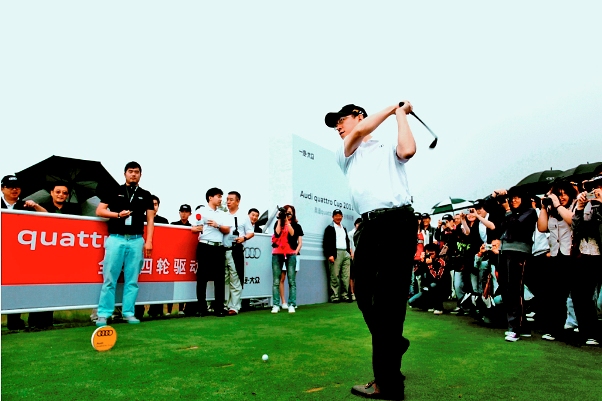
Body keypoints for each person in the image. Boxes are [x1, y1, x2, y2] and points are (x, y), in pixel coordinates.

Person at [326, 101, 416, 400]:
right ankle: (394, 343)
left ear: (359, 115)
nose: (338, 127)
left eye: (342, 120)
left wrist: (401, 114)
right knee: (363, 294)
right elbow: (360, 131)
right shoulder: (346, 152)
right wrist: (392, 108)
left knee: (390, 302)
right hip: (368, 227)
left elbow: (408, 150)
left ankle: (387, 383)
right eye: (335, 124)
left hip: (398, 222)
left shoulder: (387, 147)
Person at [95, 162, 155, 327]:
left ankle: (128, 312)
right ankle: (104, 314)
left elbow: (150, 220)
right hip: (116, 238)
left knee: (132, 280)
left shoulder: (146, 195)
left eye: (136, 172)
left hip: (136, 240)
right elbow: (99, 211)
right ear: (125, 174)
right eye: (130, 171)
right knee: (110, 278)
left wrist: (149, 241)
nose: (133, 174)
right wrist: (117, 215)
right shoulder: (114, 190)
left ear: (140, 175)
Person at [29, 182, 81, 330]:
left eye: (64, 193)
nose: (61, 195)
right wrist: (35, 206)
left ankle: (47, 321)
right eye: (58, 192)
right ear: (51, 193)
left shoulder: (74, 209)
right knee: (40, 287)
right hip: (43, 253)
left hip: (63, 254)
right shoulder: (41, 206)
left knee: (52, 288)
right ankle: (34, 321)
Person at [1, 175, 47, 330]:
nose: (14, 189)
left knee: (17, 287)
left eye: (17, 187)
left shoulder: (26, 205)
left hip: (20, 252)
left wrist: (36, 206)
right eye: (10, 187)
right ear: (2, 188)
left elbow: (48, 217)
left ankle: (15, 321)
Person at [493, 187, 537, 342]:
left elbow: (516, 226)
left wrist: (508, 211)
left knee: (514, 290)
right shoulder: (510, 212)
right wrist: (495, 196)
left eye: (517, 197)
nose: (514, 201)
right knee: (506, 289)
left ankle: (515, 328)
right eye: (511, 198)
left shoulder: (530, 212)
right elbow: (492, 213)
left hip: (519, 253)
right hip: (505, 250)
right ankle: (522, 326)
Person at [536, 181, 578, 342]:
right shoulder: (551, 211)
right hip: (555, 255)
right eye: (558, 194)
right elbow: (542, 227)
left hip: (572, 255)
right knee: (555, 295)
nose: (562, 197)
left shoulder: (575, 206)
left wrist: (557, 204)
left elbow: (573, 221)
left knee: (576, 295)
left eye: (564, 194)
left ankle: (580, 328)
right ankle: (554, 329)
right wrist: (543, 207)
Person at [572, 175, 602, 345]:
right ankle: (587, 331)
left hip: (599, 254)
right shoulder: (588, 205)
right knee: (580, 294)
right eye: (594, 187)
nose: (596, 191)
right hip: (585, 253)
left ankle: (595, 332)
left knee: (598, 299)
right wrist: (579, 208)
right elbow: (576, 229)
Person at [191, 187, 230, 317]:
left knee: (219, 278)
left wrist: (217, 225)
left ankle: (219, 308)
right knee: (202, 278)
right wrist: (200, 227)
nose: (220, 199)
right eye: (218, 196)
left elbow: (227, 230)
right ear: (210, 197)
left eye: (221, 196)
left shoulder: (222, 213)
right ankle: (202, 308)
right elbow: (193, 228)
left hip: (218, 247)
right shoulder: (201, 211)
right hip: (205, 246)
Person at [223, 191, 255, 316]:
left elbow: (251, 232)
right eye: (227, 199)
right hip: (223, 249)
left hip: (236, 249)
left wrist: (244, 238)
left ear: (238, 201)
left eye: (231, 199)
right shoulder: (223, 215)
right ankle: (224, 305)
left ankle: (234, 306)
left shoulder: (244, 217)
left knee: (235, 277)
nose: (228, 202)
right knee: (224, 278)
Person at [271, 205, 303, 313]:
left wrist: (287, 221)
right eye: (286, 212)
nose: (287, 214)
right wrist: (280, 219)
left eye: (289, 212)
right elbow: (277, 233)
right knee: (276, 280)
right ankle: (276, 304)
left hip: (290, 253)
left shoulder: (296, 225)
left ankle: (292, 304)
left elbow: (292, 233)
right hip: (277, 253)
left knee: (291, 280)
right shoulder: (278, 222)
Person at [408, 243, 449, 314]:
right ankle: (430, 304)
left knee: (433, 285)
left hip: (442, 288)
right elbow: (416, 273)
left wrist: (430, 265)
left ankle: (439, 307)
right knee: (411, 301)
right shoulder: (425, 261)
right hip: (427, 289)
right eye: (428, 254)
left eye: (432, 254)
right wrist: (421, 262)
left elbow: (438, 278)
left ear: (437, 253)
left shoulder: (441, 262)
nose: (430, 256)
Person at [323, 209, 352, 303]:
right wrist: (329, 255)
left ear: (342, 217)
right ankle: (334, 297)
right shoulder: (329, 228)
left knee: (345, 276)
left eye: (340, 215)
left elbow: (347, 241)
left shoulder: (344, 228)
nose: (338, 217)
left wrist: (348, 252)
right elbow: (326, 243)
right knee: (334, 276)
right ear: (333, 217)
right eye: (336, 215)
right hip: (335, 253)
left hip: (345, 253)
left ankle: (345, 295)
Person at [168, 204, 192, 315]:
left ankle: (181, 309)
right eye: (182, 211)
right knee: (171, 282)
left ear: (190, 214)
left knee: (183, 283)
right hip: (174, 257)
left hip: (185, 258)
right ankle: (169, 310)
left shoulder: (191, 227)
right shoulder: (173, 225)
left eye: (186, 212)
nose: (184, 214)